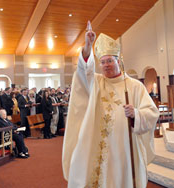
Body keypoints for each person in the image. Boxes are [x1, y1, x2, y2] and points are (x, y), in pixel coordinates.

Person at [62, 21, 159, 188]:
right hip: (101, 144)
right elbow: (84, 71)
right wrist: (88, 45)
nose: (106, 65)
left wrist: (136, 113)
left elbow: (151, 112)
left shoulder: (134, 86)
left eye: (110, 61)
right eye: (103, 62)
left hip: (125, 146)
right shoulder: (98, 83)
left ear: (118, 61)